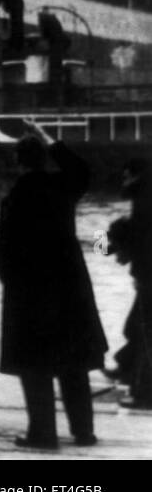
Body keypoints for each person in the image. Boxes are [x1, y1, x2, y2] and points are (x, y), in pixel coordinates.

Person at [0, 120, 106, 448]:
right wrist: (47, 137)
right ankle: (84, 431)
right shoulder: (63, 189)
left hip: (29, 297)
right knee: (75, 365)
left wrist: (15, 285)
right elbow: (82, 169)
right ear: (45, 159)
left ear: (18, 162)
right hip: (70, 292)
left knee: (35, 367)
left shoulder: (13, 200)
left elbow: (0, 253)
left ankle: (43, 434)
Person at [108, 159, 152, 408]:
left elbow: (134, 236)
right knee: (137, 326)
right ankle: (127, 367)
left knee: (145, 331)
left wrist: (106, 237)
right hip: (146, 275)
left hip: (148, 276)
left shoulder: (143, 200)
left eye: (126, 176)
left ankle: (145, 392)